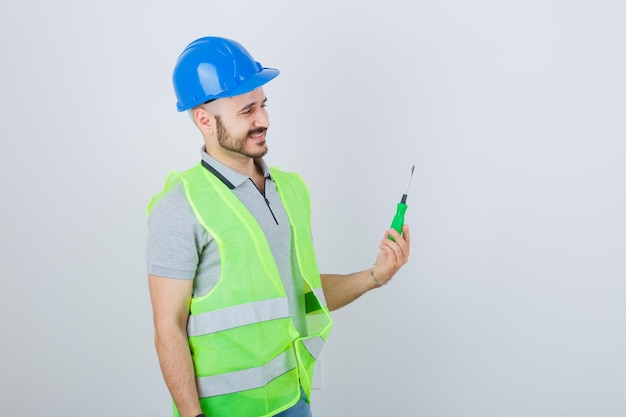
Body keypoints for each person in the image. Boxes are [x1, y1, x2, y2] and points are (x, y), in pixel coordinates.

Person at [146, 36, 411, 417]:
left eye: (264, 105)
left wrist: (375, 275)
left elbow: (301, 294)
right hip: (224, 410)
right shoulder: (179, 207)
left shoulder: (291, 190)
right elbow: (167, 327)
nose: (263, 120)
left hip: (293, 397)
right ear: (205, 119)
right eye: (247, 110)